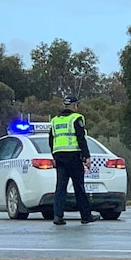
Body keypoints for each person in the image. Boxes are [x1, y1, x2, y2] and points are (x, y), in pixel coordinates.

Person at [49, 95, 98, 225]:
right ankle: (86, 216)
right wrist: (86, 157)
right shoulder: (76, 118)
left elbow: (51, 140)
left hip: (59, 157)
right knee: (79, 187)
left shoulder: (55, 121)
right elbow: (81, 138)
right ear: (75, 106)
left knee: (60, 188)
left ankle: (58, 216)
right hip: (73, 156)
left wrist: (54, 155)